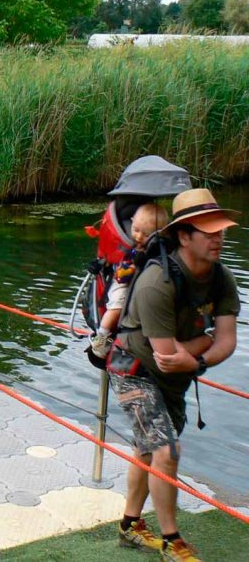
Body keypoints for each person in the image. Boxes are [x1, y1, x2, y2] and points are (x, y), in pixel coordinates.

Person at [107, 188, 239, 560]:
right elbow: (167, 356)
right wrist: (204, 342)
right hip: (133, 371)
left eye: (221, 230)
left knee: (149, 450)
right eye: (208, 231)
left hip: (175, 378)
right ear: (184, 235)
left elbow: (227, 341)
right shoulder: (156, 282)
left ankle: (130, 525)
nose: (218, 238)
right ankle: (172, 541)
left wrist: (196, 358)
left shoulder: (222, 278)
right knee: (166, 449)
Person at [90, 202, 170, 357]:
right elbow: (120, 275)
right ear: (132, 222)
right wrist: (133, 267)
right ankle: (102, 336)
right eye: (136, 230)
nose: (139, 236)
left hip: (144, 285)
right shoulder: (131, 248)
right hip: (123, 283)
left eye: (146, 234)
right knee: (118, 305)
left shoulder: (160, 249)